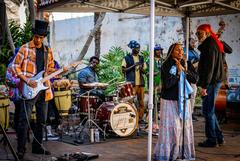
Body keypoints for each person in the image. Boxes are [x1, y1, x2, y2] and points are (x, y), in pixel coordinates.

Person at [11, 20, 55, 159]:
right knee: (25, 120)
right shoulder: (25, 48)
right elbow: (15, 66)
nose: (38, 39)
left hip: (44, 89)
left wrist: (51, 72)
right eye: (36, 37)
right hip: (28, 88)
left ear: (44, 37)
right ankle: (21, 149)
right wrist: (27, 80)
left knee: (42, 120)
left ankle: (37, 146)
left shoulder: (48, 50)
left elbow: (51, 67)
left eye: (41, 37)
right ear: (33, 35)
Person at [154, 43, 197, 161]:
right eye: (178, 50)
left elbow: (195, 79)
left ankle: (180, 152)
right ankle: (168, 153)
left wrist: (184, 70)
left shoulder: (186, 63)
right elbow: (167, 84)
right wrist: (178, 73)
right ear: (171, 51)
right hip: (170, 100)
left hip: (183, 100)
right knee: (172, 128)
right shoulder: (166, 65)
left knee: (182, 128)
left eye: (181, 50)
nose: (180, 52)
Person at [196, 24, 225, 147]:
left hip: (212, 82)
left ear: (207, 33)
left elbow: (210, 69)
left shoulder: (210, 45)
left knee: (207, 111)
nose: (198, 36)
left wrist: (204, 86)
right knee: (210, 111)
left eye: (200, 33)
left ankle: (212, 140)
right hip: (214, 80)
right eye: (197, 33)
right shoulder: (213, 43)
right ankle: (218, 137)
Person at [122, 40, 146, 123]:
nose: (138, 50)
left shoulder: (141, 58)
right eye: (136, 48)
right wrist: (133, 65)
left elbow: (144, 71)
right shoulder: (126, 58)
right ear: (132, 48)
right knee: (130, 102)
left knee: (141, 102)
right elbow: (123, 70)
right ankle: (130, 119)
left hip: (141, 84)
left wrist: (141, 68)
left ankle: (140, 118)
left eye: (139, 48)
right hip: (132, 83)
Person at [146, 44, 163, 131]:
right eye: (157, 50)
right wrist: (153, 73)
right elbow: (146, 73)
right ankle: (152, 123)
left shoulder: (163, 60)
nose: (158, 51)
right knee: (153, 104)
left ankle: (158, 123)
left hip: (162, 85)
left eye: (159, 50)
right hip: (153, 85)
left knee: (160, 104)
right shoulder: (150, 61)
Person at [184, 38, 200, 121]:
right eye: (192, 43)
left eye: (195, 43)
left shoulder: (195, 52)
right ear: (188, 43)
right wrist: (198, 63)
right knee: (188, 95)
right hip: (188, 77)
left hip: (194, 77)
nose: (194, 44)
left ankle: (191, 112)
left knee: (193, 95)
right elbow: (188, 66)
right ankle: (188, 113)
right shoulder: (185, 52)